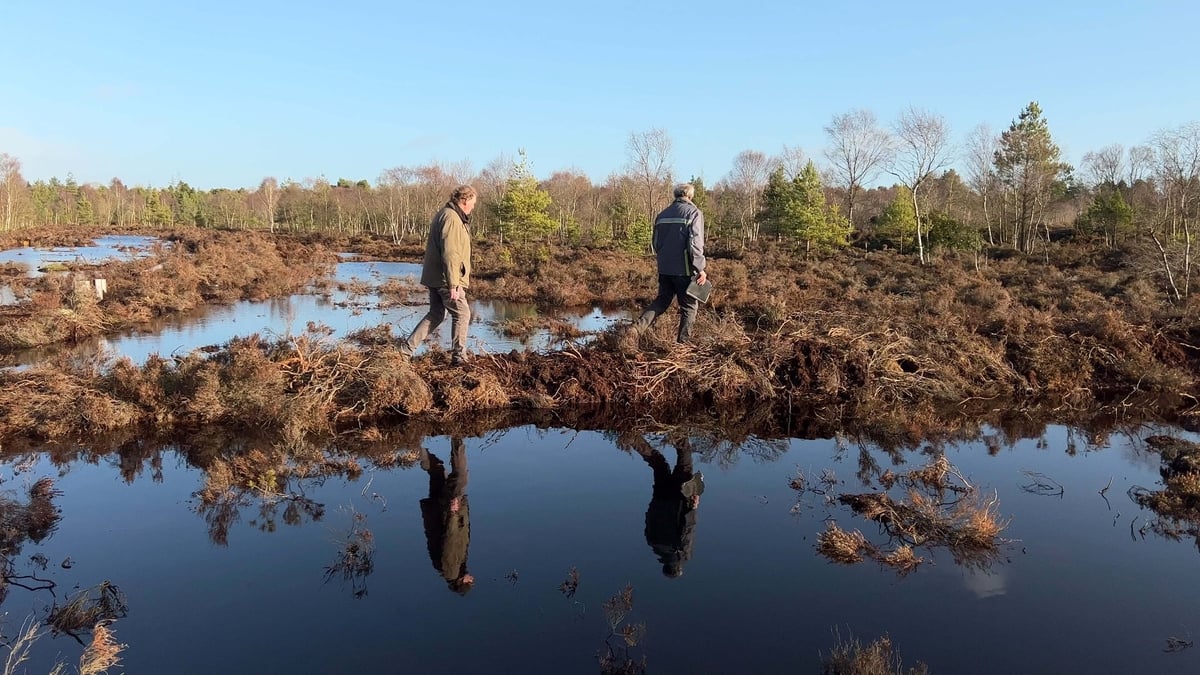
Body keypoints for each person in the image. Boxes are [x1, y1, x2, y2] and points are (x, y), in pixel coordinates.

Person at [401, 185, 477, 365]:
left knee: (437, 313)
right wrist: (453, 283)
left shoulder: (447, 214)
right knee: (463, 313)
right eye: (472, 203)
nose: (473, 207)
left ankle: (404, 351)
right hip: (446, 278)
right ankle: (459, 357)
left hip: (436, 276)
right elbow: (450, 253)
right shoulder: (451, 218)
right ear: (464, 200)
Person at [620, 433, 705, 578]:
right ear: (665, 566)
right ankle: (631, 437)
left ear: (678, 568)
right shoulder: (653, 544)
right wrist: (656, 500)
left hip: (680, 497)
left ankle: (678, 428)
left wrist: (694, 505)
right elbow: (649, 517)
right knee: (659, 464)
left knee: (684, 460)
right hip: (660, 496)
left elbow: (689, 528)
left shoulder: (682, 554)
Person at [633, 183, 708, 343]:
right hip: (685, 271)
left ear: (676, 195)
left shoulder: (662, 215)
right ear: (690, 196)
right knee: (689, 307)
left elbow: (656, 243)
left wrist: (665, 260)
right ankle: (683, 345)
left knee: (662, 301)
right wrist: (700, 268)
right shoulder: (694, 213)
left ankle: (636, 329)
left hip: (665, 269)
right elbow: (695, 244)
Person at [419, 436, 474, 594]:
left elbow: (451, 539)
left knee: (460, 477)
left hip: (447, 510)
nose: (473, 579)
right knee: (437, 471)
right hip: (438, 510)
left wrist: (454, 513)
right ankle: (411, 445)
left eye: (470, 583)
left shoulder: (451, 570)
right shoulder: (453, 569)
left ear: (462, 582)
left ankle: (457, 435)